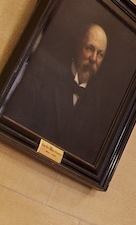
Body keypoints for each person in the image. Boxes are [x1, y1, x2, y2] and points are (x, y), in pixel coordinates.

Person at [6, 21, 112, 160]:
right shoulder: (45, 76)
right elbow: (14, 122)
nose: (93, 58)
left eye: (100, 54)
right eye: (90, 48)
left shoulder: (95, 105)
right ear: (78, 46)